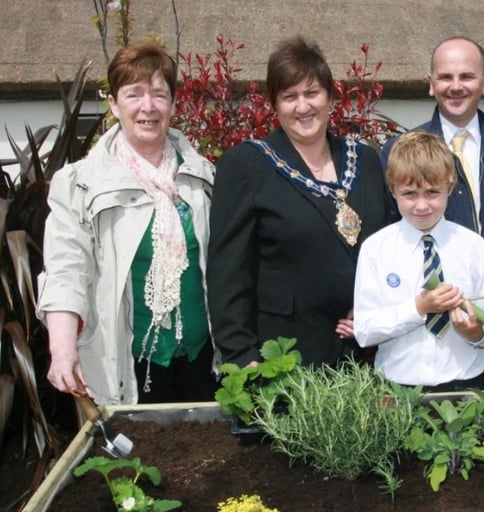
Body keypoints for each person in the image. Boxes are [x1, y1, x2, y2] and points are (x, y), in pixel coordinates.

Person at [37, 42, 218, 405]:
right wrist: (61, 348)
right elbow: (66, 267)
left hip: (203, 361)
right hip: (123, 364)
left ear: (172, 105)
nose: (147, 107)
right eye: (134, 94)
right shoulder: (78, 184)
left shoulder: (203, 176)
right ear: (115, 105)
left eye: (159, 95)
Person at [206, 36, 388, 369]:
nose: (303, 107)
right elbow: (227, 272)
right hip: (283, 356)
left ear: (331, 97)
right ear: (274, 105)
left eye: (312, 93)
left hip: (362, 354)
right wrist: (240, 353)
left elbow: (389, 247)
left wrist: (378, 305)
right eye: (289, 97)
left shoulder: (366, 160)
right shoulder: (246, 166)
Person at [380, 36, 484, 384]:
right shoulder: (396, 153)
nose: (455, 86)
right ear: (431, 84)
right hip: (427, 338)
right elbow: (387, 236)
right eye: (445, 77)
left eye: (467, 77)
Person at [354, 131, 484, 392]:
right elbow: (364, 331)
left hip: (466, 381)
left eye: (433, 192)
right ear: (393, 191)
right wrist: (419, 308)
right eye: (409, 193)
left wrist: (475, 333)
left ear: (450, 187)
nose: (422, 205)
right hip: (398, 386)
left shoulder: (472, 246)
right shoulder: (376, 249)